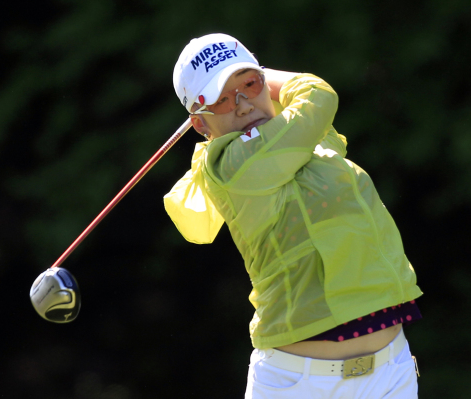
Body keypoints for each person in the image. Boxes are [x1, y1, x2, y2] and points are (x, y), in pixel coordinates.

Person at [164, 33, 423, 399]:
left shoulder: (306, 138)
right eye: (222, 100)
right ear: (200, 124)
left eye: (249, 85)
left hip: (390, 373)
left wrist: (256, 77)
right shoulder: (229, 166)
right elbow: (318, 94)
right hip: (297, 386)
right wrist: (262, 75)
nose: (242, 105)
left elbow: (308, 111)